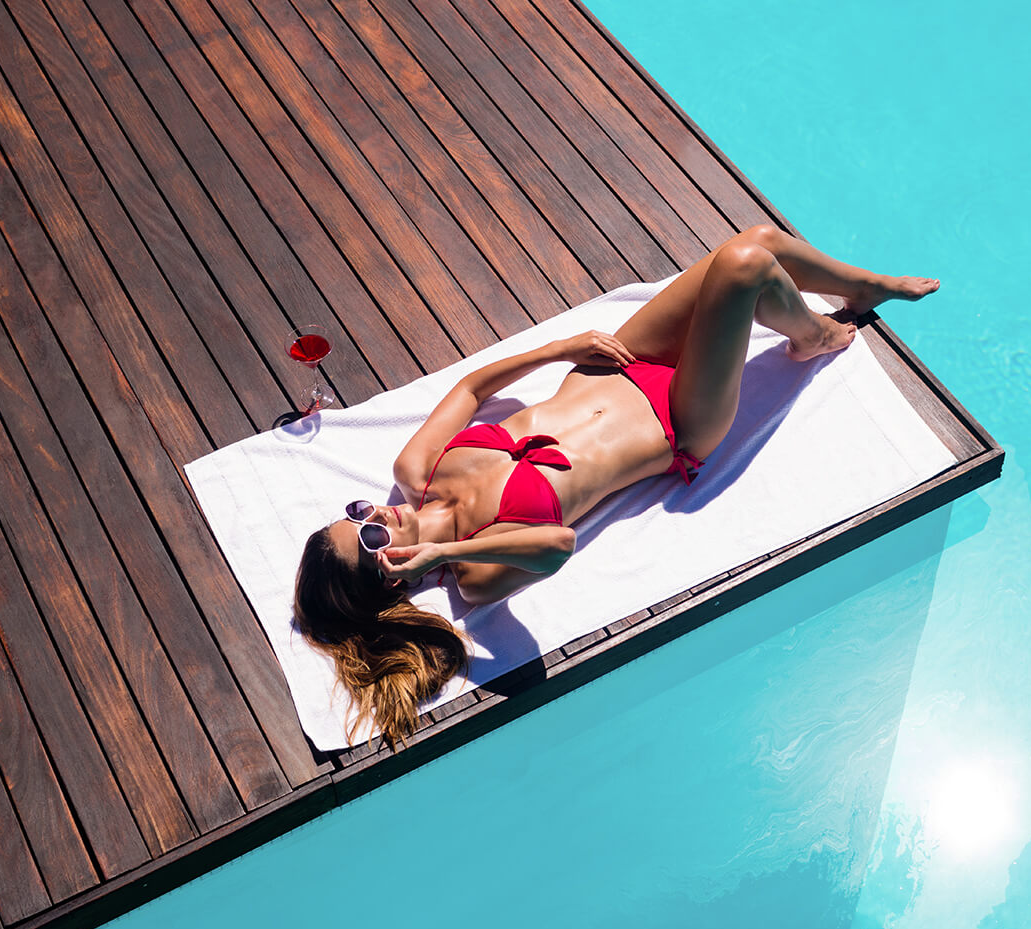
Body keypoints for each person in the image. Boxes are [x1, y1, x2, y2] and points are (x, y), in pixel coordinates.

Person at [292, 225, 939, 746]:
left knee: (758, 241)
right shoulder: (476, 574)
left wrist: (560, 349)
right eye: (371, 531)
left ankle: (868, 285)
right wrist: (445, 554)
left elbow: (469, 389)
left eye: (357, 509)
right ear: (395, 575)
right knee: (743, 266)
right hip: (679, 421)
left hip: (618, 367)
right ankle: (817, 335)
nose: (379, 509)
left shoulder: (415, 471)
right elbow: (557, 543)